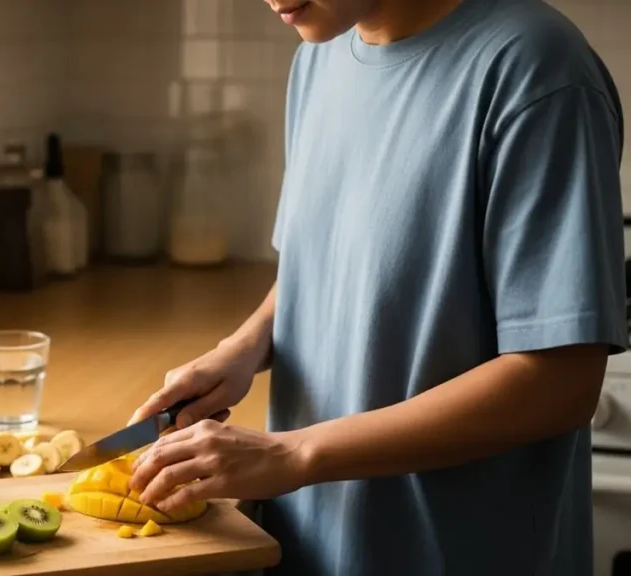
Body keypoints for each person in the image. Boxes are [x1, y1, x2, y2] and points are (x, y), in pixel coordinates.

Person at [126, 0, 627, 574]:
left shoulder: (536, 67)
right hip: (308, 541)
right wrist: (242, 348)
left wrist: (294, 451)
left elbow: (559, 383)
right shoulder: (320, 57)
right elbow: (323, 263)